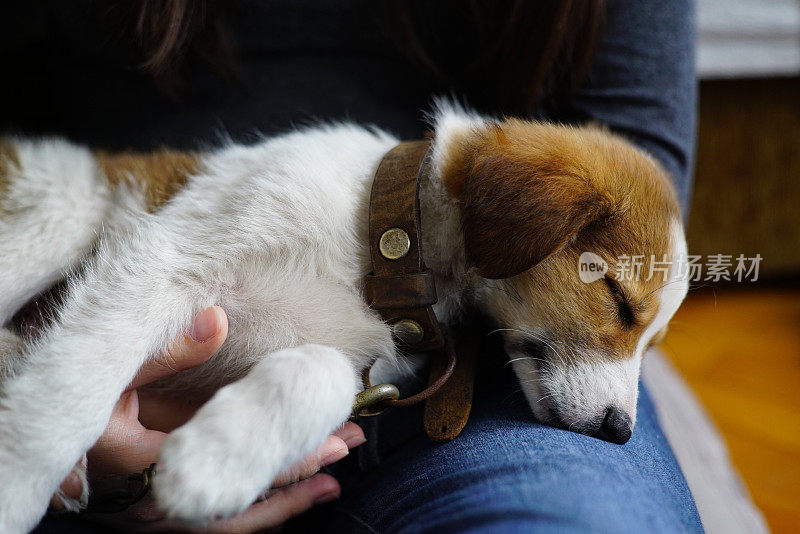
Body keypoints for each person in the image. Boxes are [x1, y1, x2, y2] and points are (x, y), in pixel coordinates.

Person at [2, 1, 700, 532]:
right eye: (618, 309)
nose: (620, 405)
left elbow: (640, 182)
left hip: (454, 398)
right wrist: (49, 436)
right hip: (95, 251)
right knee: (59, 213)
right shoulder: (328, 187)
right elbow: (158, 263)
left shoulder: (451, 305)